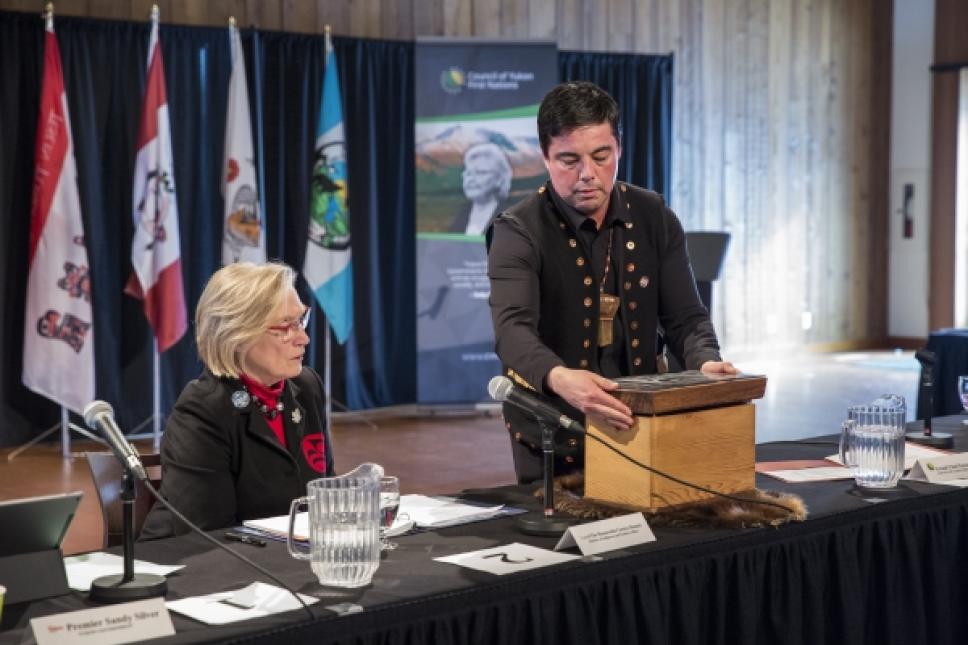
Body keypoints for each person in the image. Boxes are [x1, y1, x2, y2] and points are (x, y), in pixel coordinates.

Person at [486, 81, 736, 483]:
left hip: (640, 423)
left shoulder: (654, 215)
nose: (588, 174)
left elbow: (686, 318)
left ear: (619, 148)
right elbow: (512, 331)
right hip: (554, 428)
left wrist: (705, 360)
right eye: (569, 160)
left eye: (601, 156)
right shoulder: (518, 229)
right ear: (544, 158)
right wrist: (559, 377)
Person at [140, 262, 334, 538]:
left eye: (301, 320)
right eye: (285, 327)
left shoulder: (306, 386)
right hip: (196, 564)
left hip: (285, 557)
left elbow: (323, 493)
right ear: (239, 334)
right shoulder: (202, 411)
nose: (303, 338)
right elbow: (208, 534)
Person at [451, 142, 514, 235]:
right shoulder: (460, 215)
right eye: (468, 173)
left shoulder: (511, 218)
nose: (471, 179)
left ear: (499, 179)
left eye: (481, 172)